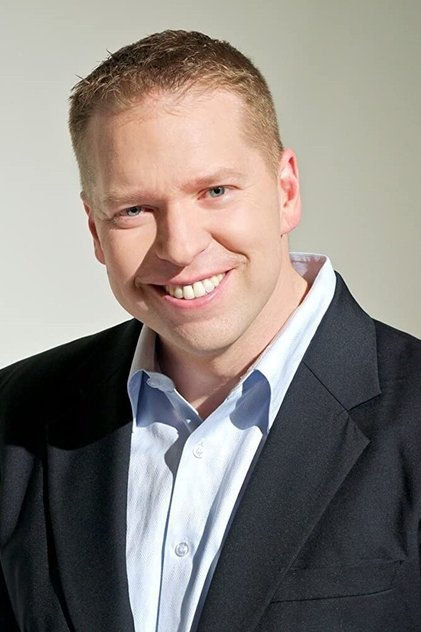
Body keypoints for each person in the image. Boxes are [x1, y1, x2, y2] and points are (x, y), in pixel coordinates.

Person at [0, 29, 420, 632]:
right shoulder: (13, 419)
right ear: (95, 229)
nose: (180, 246)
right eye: (134, 210)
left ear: (286, 190)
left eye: (215, 191)